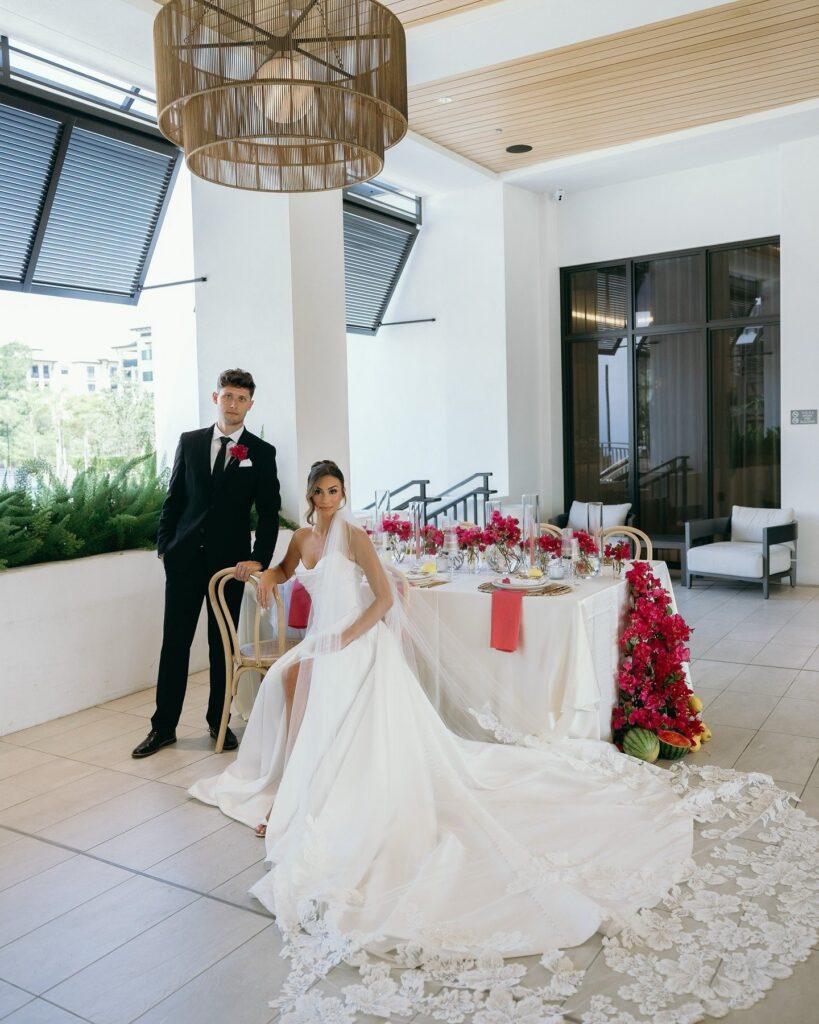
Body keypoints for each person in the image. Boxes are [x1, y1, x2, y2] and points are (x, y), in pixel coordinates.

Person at [189, 460, 819, 1024]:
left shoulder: (355, 536)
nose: (328, 499)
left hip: (356, 644)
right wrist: (262, 573)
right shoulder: (301, 538)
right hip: (324, 645)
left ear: (344, 493)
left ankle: (319, 792)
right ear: (309, 497)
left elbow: (383, 598)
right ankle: (290, 788)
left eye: (335, 490)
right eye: (320, 491)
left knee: (329, 697)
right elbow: (283, 571)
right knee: (286, 683)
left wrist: (343, 641)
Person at [132, 369, 280, 759]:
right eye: (228, 396)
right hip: (182, 562)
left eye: (241, 398)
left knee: (222, 647)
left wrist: (258, 558)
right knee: (175, 645)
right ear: (216, 398)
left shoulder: (261, 453)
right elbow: (174, 499)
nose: (233, 404)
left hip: (229, 568)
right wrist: (165, 547)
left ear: (250, 403)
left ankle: (219, 721)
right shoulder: (190, 441)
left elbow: (267, 513)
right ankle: (163, 728)